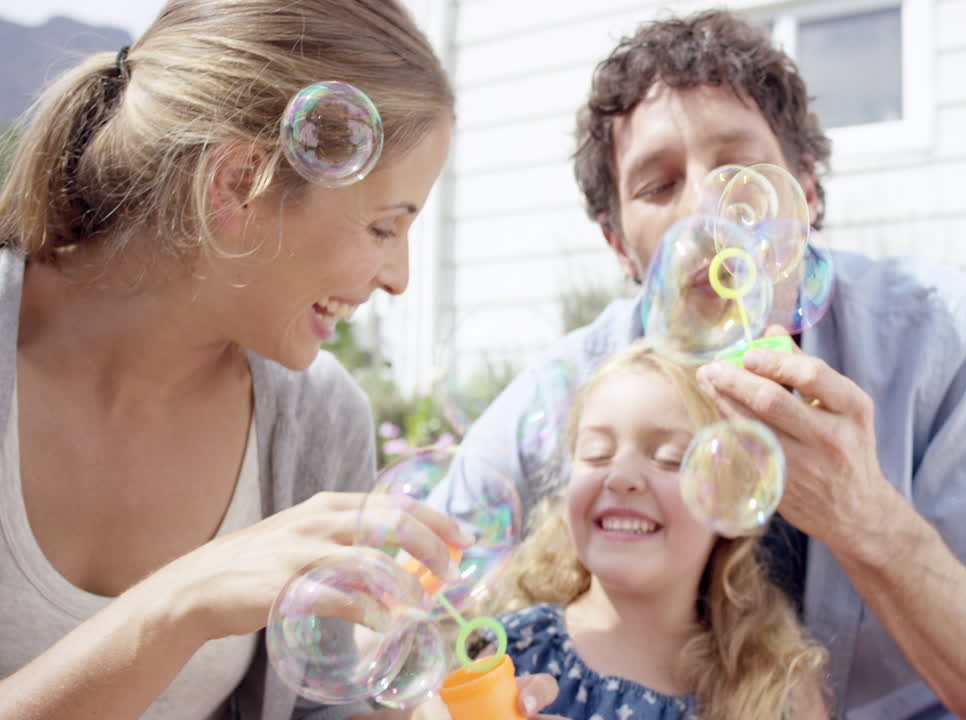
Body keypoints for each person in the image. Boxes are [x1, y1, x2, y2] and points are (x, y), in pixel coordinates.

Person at [454, 9, 966, 720]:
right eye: (658, 186)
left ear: (806, 193)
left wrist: (863, 518)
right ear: (618, 245)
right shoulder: (585, 388)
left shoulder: (941, 334)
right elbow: (417, 586)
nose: (703, 212)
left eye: (739, 174)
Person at [0, 1, 558, 718]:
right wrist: (178, 605)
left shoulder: (317, 417)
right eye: (385, 226)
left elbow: (316, 706)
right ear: (238, 185)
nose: (399, 278)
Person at [475, 340, 827, 720]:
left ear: (730, 502)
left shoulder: (780, 692)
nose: (622, 477)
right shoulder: (510, 659)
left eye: (670, 459)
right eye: (596, 453)